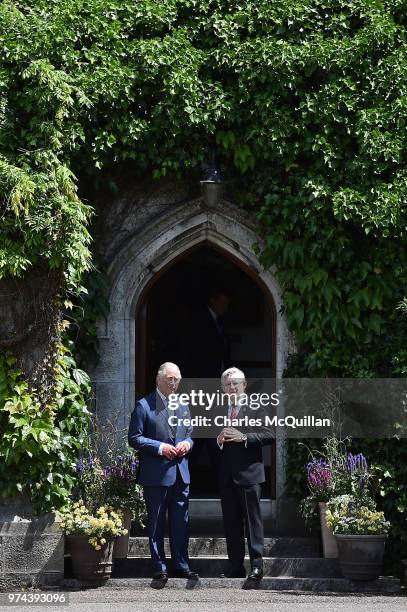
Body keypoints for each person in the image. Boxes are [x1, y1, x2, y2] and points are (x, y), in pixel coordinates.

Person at [128, 362, 198, 585]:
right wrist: (160, 448)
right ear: (158, 379)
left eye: (177, 378)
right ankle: (159, 567)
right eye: (170, 378)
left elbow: (190, 434)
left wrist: (187, 444)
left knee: (181, 523)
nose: (174, 382)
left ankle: (182, 565)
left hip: (180, 474)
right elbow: (134, 438)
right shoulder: (143, 405)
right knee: (156, 523)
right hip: (156, 475)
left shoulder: (184, 405)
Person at [216, 367, 274, 585]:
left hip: (250, 474)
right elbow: (209, 441)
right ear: (223, 388)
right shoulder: (218, 409)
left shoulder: (257, 405)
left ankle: (257, 567)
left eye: (235, 384)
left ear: (244, 385)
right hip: (226, 474)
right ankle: (235, 566)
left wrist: (244, 437)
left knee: (252, 523)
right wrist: (218, 441)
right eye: (228, 385)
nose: (232, 388)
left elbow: (270, 434)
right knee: (231, 523)